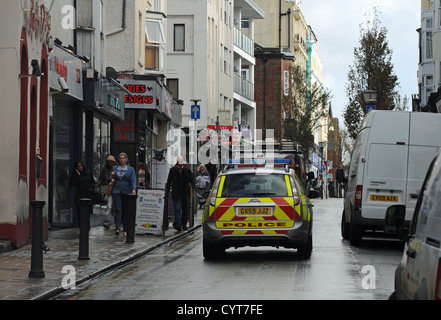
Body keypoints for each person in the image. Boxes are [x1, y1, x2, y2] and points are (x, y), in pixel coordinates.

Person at [109, 152, 137, 236]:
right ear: (118, 159)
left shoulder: (131, 169)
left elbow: (133, 180)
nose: (122, 160)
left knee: (125, 210)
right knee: (118, 209)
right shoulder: (114, 168)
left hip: (127, 191)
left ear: (126, 159)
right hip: (116, 191)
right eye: (120, 158)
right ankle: (117, 227)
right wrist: (112, 176)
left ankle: (125, 229)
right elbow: (109, 179)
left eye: (123, 158)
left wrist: (133, 189)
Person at [165, 156, 195, 231]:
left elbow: (192, 179)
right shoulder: (172, 170)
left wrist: (194, 187)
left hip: (185, 193)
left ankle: (184, 224)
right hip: (176, 193)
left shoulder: (187, 170)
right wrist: (167, 190)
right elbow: (169, 181)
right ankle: (178, 224)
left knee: (185, 209)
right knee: (177, 208)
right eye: (179, 161)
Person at [68, 161, 95, 227]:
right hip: (80, 195)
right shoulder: (76, 175)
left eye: (81, 165)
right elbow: (72, 183)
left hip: (88, 195)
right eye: (78, 166)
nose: (80, 167)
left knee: (87, 213)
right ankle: (81, 227)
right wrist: (78, 175)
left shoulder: (88, 173)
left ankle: (87, 226)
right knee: (80, 212)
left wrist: (91, 187)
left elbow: (93, 182)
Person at [96, 155, 116, 229]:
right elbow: (100, 178)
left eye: (111, 162)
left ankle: (113, 222)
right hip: (108, 189)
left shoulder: (117, 168)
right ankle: (109, 222)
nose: (110, 163)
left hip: (115, 189)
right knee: (109, 205)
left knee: (115, 207)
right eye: (108, 162)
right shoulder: (104, 168)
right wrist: (97, 184)